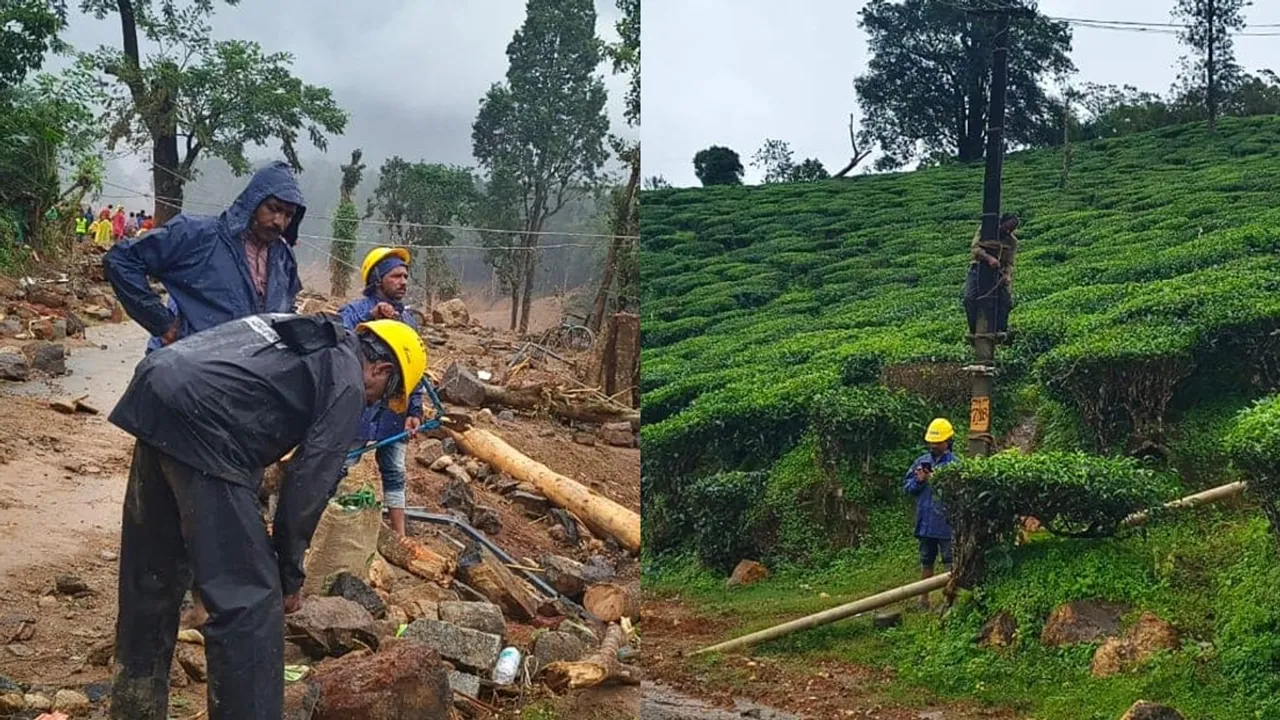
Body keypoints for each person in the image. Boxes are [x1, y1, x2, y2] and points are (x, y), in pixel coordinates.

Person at [106, 313, 428, 720]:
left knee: (153, 575)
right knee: (252, 606)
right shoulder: (347, 381)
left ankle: (133, 709)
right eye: (381, 396)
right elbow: (309, 483)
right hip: (206, 430)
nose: (373, 403)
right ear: (381, 369)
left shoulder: (306, 330)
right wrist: (287, 575)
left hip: (158, 389)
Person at [103, 161, 306, 355]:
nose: (279, 221)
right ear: (254, 202)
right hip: (192, 372)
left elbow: (286, 309)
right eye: (273, 208)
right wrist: (160, 322)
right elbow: (122, 260)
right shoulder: (198, 235)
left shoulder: (283, 258)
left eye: (288, 215)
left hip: (249, 377)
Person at [337, 246, 426, 536]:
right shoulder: (354, 312)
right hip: (358, 407)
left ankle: (398, 535)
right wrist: (373, 318)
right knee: (342, 465)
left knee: (395, 470)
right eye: (396, 276)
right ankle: (326, 520)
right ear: (377, 278)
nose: (404, 282)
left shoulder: (408, 321)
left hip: (394, 410)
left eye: (406, 276)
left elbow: (414, 371)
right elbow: (337, 346)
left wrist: (414, 409)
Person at [903, 418, 957, 610]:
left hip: (945, 524)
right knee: (926, 561)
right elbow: (908, 488)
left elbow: (959, 492)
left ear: (948, 442)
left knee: (950, 563)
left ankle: (950, 602)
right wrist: (919, 481)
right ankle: (923, 601)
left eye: (938, 442)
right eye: (932, 442)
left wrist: (938, 480)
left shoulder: (955, 465)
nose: (934, 446)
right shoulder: (921, 462)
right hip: (925, 522)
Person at [963, 213, 1020, 339]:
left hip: (998, 272)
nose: (1008, 231)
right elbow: (975, 249)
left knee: (1006, 301)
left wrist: (1007, 275)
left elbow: (1010, 262)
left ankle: (1000, 329)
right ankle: (973, 331)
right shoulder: (984, 229)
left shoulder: (1012, 241)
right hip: (977, 268)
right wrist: (989, 258)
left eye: (1011, 229)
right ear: (1000, 223)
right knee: (969, 298)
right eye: (1006, 227)